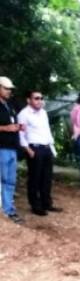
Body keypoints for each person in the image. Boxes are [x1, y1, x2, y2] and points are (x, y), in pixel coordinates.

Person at [18, 90, 62, 216]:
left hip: (46, 148)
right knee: (35, 178)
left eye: (41, 98)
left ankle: (47, 204)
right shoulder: (23, 114)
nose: (40, 100)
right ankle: (35, 206)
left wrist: (51, 148)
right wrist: (28, 149)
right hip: (34, 148)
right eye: (36, 98)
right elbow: (21, 134)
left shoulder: (43, 113)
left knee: (47, 178)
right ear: (29, 100)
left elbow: (47, 130)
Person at [0, 76, 23, 223]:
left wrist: (18, 127)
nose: (9, 91)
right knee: (2, 180)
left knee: (10, 181)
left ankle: (8, 209)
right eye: (6, 88)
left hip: (12, 148)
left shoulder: (10, 106)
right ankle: (3, 211)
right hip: (1, 147)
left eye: (10, 89)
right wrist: (5, 128)